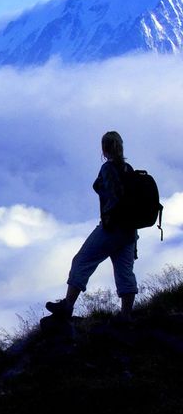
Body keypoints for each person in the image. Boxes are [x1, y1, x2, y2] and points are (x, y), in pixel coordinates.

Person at [46, 131, 138, 321]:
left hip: (112, 228)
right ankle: (126, 316)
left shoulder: (108, 168)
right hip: (130, 231)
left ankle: (67, 306)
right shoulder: (129, 169)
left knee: (82, 261)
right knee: (125, 272)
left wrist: (110, 219)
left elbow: (115, 196)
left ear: (104, 149)